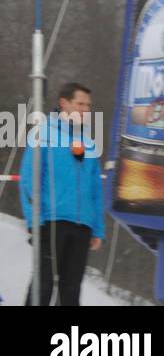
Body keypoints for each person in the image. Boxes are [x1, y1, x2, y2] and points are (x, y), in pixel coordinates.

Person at [20, 82, 105, 306]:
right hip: (52, 222)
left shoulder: (88, 142)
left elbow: (96, 188)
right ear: (64, 103)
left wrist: (98, 228)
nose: (86, 110)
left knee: (71, 291)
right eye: (80, 104)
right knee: (43, 285)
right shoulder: (44, 134)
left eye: (88, 106)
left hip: (82, 227)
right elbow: (30, 180)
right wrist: (34, 220)